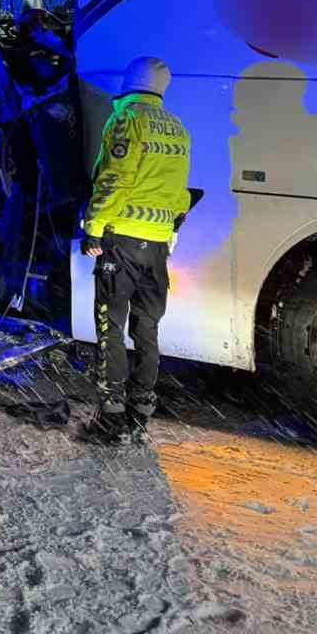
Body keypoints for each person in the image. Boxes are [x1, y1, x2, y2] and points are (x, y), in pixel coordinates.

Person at [78, 56, 191, 446]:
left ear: (129, 83)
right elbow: (180, 193)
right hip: (157, 245)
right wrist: (170, 227)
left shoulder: (128, 120)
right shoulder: (177, 128)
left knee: (110, 326)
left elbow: (114, 178)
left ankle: (109, 417)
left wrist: (93, 228)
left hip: (121, 240)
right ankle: (140, 413)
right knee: (147, 329)